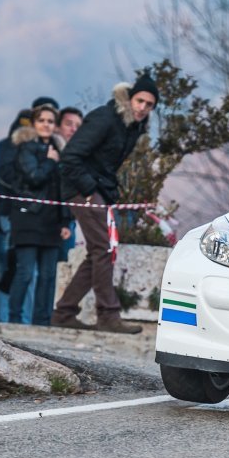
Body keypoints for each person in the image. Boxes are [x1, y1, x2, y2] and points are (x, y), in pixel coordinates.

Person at [51, 75, 157, 334]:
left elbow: (105, 164)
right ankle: (108, 316)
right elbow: (70, 157)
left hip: (98, 189)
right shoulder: (105, 118)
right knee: (103, 249)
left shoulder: (132, 127)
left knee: (100, 251)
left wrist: (107, 190)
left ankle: (64, 312)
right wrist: (89, 189)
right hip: (81, 188)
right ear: (130, 98)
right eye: (140, 100)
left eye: (149, 104)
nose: (143, 107)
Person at [7, 104, 72, 326]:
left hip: (52, 223)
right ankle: (14, 320)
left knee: (48, 275)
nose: (46, 125)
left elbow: (62, 189)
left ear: (55, 125)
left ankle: (42, 322)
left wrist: (66, 220)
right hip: (28, 218)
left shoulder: (59, 150)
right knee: (25, 273)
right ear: (34, 123)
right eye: (42, 120)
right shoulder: (26, 148)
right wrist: (50, 161)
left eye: (50, 121)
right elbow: (34, 177)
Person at [0, 109, 33, 322]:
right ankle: (5, 322)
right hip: (5, 221)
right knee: (9, 274)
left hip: (3, 221)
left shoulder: (0, 149)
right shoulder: (9, 150)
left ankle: (3, 321)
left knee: (7, 274)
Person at [56, 107, 84, 262]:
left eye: (78, 126)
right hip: (48, 221)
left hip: (70, 220)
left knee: (65, 265)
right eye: (68, 124)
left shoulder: (80, 155)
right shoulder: (48, 149)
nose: (73, 129)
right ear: (58, 126)